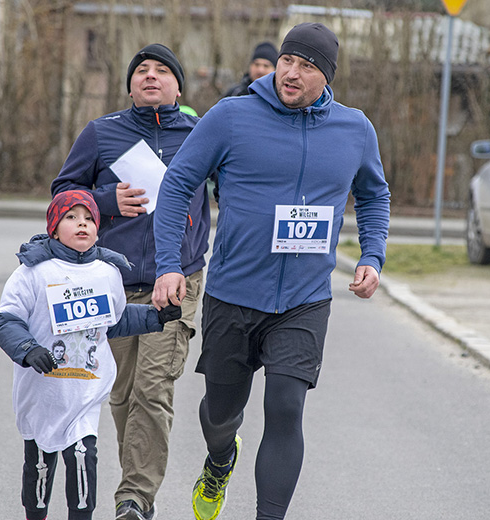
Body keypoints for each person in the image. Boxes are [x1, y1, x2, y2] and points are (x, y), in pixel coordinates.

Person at [152, 22, 391, 520]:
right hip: (232, 294)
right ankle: (220, 459)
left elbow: (373, 194)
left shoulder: (354, 130)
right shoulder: (232, 117)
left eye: (307, 66)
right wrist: (169, 265)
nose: (292, 72)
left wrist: (372, 255)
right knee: (220, 416)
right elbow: (177, 185)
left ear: (326, 77)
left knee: (286, 407)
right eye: (288, 60)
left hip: (304, 301)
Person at [50, 43, 211, 520]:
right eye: (142, 70)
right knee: (119, 393)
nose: (151, 76)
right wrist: (104, 201)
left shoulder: (201, 135)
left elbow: (240, 185)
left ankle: (134, 498)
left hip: (178, 279)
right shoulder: (102, 133)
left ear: (179, 87)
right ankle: (134, 490)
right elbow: (63, 195)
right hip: (114, 281)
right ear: (129, 85)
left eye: (163, 70)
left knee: (152, 388)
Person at [0, 190, 182, 520]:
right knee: (40, 464)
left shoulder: (106, 272)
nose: (82, 224)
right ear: (53, 228)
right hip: (42, 391)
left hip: (85, 389)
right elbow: (6, 320)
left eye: (89, 219)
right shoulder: (33, 272)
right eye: (71, 217)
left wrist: (153, 317)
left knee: (83, 457)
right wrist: (28, 350)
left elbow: (113, 321)